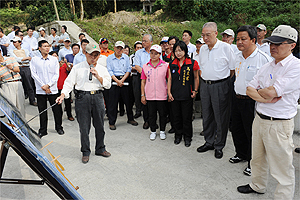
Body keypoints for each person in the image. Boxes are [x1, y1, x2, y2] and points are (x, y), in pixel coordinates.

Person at [237, 25, 300, 200]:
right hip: (260, 119)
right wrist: (264, 97)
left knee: (282, 167)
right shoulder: (268, 65)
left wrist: (264, 92)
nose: (273, 46)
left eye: (279, 44)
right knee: (257, 159)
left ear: (292, 45)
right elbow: (250, 88)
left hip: (279, 124)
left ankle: (283, 197)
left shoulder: (295, 67)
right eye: (271, 42)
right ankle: (257, 185)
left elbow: (273, 91)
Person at [56, 43, 112, 164]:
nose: (93, 58)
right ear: (85, 54)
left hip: (97, 97)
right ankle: (85, 151)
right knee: (84, 127)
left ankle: (100, 148)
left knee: (100, 126)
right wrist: (62, 95)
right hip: (82, 98)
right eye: (91, 55)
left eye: (96, 55)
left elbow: (107, 84)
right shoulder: (77, 68)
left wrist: (98, 76)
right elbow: (68, 83)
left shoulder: (102, 69)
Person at [230, 25, 272, 177]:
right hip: (237, 98)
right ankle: (240, 154)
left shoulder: (264, 59)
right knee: (237, 129)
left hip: (252, 102)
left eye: (243, 39)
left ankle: (252, 162)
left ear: (253, 40)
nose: (239, 42)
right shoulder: (237, 56)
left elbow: (268, 84)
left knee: (252, 133)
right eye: (238, 39)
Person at [196, 22, 235, 159]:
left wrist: (221, 82)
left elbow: (232, 70)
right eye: (203, 35)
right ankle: (209, 141)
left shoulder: (226, 48)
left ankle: (219, 145)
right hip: (205, 85)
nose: (205, 38)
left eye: (208, 35)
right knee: (207, 115)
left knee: (220, 117)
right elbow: (202, 67)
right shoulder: (203, 49)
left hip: (221, 85)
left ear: (216, 33)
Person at [167, 41, 199, 147]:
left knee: (186, 117)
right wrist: (169, 93)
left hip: (187, 95)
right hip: (175, 95)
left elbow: (196, 77)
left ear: (185, 51)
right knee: (176, 117)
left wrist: (195, 90)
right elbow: (170, 79)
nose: (178, 53)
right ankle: (178, 135)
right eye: (176, 51)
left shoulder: (192, 63)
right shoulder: (171, 64)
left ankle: (187, 137)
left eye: (180, 50)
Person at [30, 40, 64, 137]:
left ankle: (59, 127)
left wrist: (48, 85)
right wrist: (43, 86)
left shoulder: (53, 60)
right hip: (40, 90)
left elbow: (56, 75)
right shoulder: (35, 60)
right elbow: (34, 74)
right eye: (44, 46)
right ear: (40, 48)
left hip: (52, 89)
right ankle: (43, 130)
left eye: (48, 46)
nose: (47, 48)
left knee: (57, 110)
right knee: (42, 110)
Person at [106, 41, 138, 130]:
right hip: (114, 80)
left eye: (121, 48)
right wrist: (117, 81)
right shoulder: (109, 58)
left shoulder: (126, 57)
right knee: (113, 103)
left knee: (128, 101)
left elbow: (128, 69)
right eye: (118, 48)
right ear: (114, 48)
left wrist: (122, 80)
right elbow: (109, 71)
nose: (119, 50)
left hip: (125, 79)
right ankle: (112, 122)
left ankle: (130, 118)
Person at [141, 44, 169, 140]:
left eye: (156, 53)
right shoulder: (145, 66)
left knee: (162, 114)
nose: (153, 55)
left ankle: (162, 131)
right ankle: (153, 131)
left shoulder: (165, 66)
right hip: (150, 95)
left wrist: (169, 93)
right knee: (151, 114)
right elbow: (143, 81)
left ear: (160, 54)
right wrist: (142, 95)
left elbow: (169, 80)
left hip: (162, 94)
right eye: (151, 53)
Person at [133, 34, 154, 129]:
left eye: (145, 41)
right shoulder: (138, 53)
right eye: (143, 41)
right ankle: (146, 121)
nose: (143, 42)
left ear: (151, 42)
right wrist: (147, 74)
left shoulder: (155, 52)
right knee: (144, 99)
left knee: (153, 100)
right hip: (142, 78)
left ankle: (153, 120)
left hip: (154, 79)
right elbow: (137, 66)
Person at [9, 36, 37, 106]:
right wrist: (24, 58)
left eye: (15, 42)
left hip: (26, 67)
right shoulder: (11, 51)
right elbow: (15, 59)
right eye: (13, 42)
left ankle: (32, 99)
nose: (14, 43)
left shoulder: (26, 50)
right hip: (18, 67)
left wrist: (22, 59)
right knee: (19, 85)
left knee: (29, 84)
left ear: (20, 42)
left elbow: (28, 58)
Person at [50, 51, 74, 121]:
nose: (55, 57)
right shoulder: (51, 65)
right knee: (58, 103)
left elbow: (69, 70)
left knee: (68, 102)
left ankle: (69, 115)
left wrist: (66, 63)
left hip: (65, 86)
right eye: (53, 56)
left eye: (56, 56)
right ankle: (59, 115)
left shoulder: (64, 64)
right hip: (56, 87)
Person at [0, 49, 25, 116]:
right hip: (6, 84)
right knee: (11, 107)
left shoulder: (10, 58)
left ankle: (23, 125)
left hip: (17, 82)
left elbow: (17, 70)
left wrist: (11, 67)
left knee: (20, 106)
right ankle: (12, 125)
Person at [130, 41, 143, 119]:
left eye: (141, 47)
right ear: (135, 49)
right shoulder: (132, 57)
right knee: (137, 93)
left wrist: (137, 67)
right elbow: (131, 67)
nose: (139, 49)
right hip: (135, 76)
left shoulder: (145, 55)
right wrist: (138, 68)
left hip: (144, 76)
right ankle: (138, 110)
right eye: (137, 47)